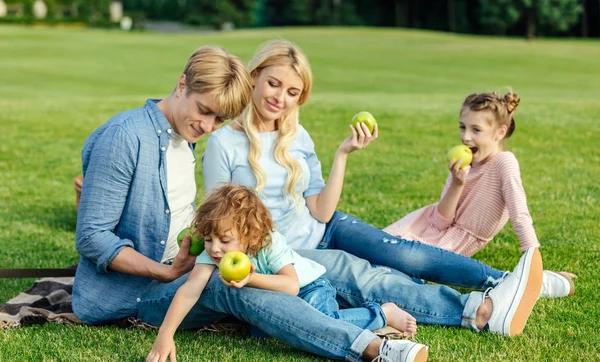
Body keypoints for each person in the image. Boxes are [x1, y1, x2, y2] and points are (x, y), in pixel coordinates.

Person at [72, 45, 432, 362]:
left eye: (219, 118)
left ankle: (473, 308)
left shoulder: (183, 134)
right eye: (204, 110)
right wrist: (166, 271)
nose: (209, 126)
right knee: (237, 289)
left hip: (190, 263)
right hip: (140, 291)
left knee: (335, 267)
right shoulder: (125, 137)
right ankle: (376, 349)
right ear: (182, 84)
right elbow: (93, 237)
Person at [201, 39, 545, 340]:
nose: (280, 98)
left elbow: (320, 210)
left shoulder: (297, 136)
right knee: (368, 278)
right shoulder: (224, 143)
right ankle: (479, 310)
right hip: (286, 251)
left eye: (292, 92)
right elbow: (219, 222)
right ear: (254, 76)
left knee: (404, 254)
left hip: (323, 225)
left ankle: (513, 281)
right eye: (273, 84)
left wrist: (342, 154)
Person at [146, 184, 419, 362]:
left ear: (250, 234)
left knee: (324, 323)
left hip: (308, 286)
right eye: (208, 239)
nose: (215, 248)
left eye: (224, 240)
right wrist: (165, 334)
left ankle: (382, 313)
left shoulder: (268, 243)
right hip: (276, 299)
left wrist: (251, 279)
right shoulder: (213, 255)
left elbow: (290, 285)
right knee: (265, 332)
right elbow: (190, 290)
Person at [383, 91, 576, 298]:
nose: (466, 137)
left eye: (476, 130)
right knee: (374, 250)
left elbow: (519, 212)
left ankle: (543, 281)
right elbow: (440, 222)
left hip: (450, 243)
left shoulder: (504, 163)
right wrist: (457, 183)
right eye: (462, 127)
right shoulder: (464, 164)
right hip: (424, 225)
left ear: (500, 132)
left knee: (390, 272)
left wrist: (532, 256)